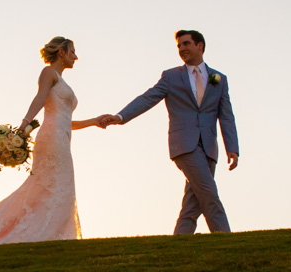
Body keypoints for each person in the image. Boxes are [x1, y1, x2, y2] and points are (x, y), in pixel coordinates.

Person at [0, 37, 108, 248]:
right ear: (61, 52)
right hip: (51, 137)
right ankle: (40, 235)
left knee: (53, 186)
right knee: (51, 185)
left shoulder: (62, 81)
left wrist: (94, 121)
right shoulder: (48, 73)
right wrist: (23, 126)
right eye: (72, 51)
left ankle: (53, 235)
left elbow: (64, 119)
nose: (76, 56)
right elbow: (39, 98)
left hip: (62, 136)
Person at [99, 30, 238, 234]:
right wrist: (120, 117)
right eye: (179, 46)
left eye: (186, 44)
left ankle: (179, 243)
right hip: (185, 146)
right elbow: (148, 98)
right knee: (209, 193)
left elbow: (226, 115)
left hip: (209, 148)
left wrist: (232, 148)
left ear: (200, 46)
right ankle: (226, 238)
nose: (181, 49)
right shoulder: (171, 76)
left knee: (193, 204)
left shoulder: (219, 78)